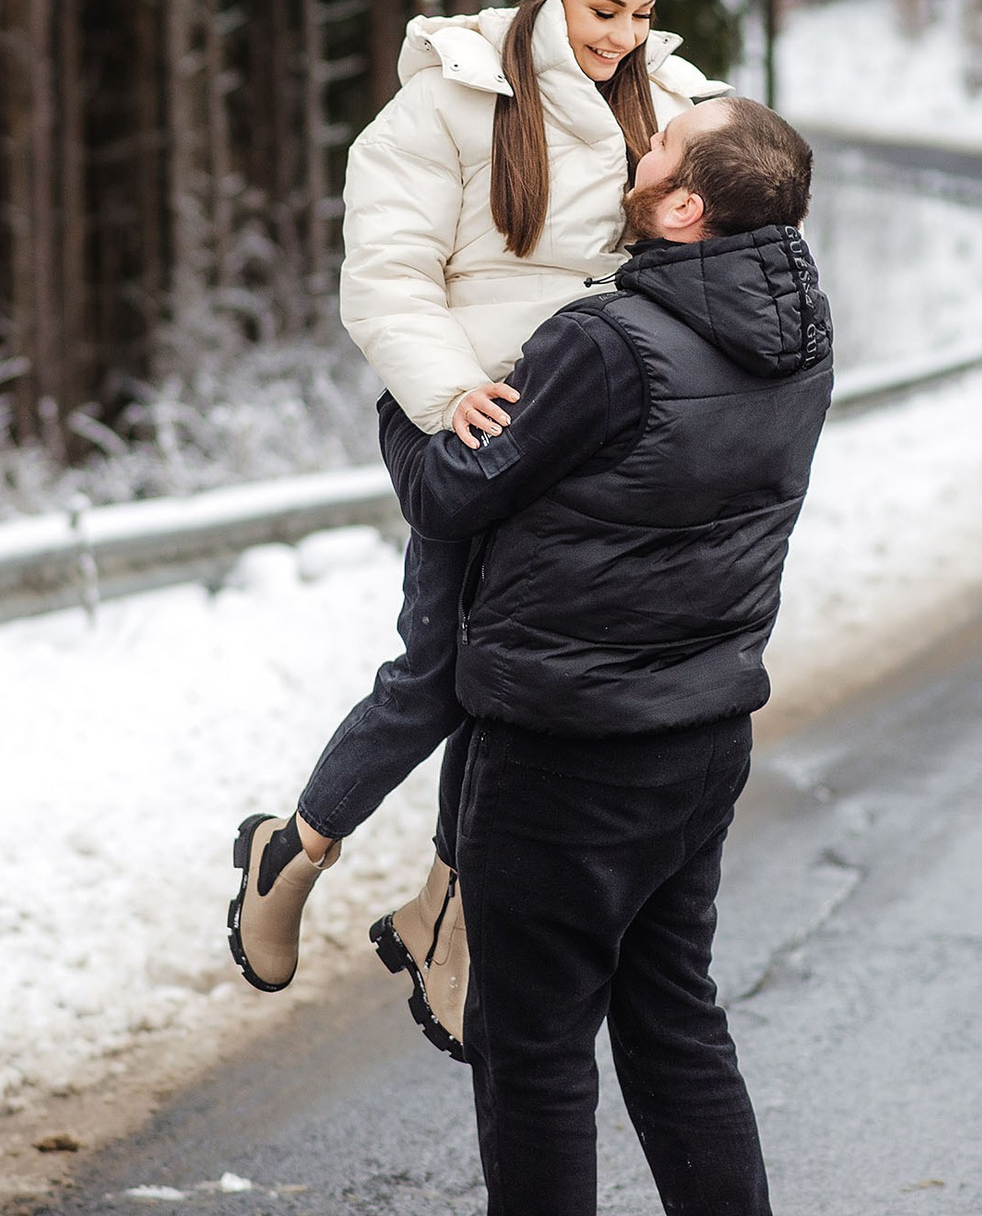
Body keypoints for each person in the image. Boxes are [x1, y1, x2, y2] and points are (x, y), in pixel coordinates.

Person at [227, 0, 727, 1059]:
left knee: (525, 682)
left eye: (642, 12)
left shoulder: (671, 98)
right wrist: (451, 392)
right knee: (441, 669)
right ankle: (291, 852)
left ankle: (445, 907)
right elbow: (385, 274)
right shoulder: (446, 101)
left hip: (592, 428)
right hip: (470, 418)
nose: (624, 34)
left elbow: (730, 219)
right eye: (606, 10)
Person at [380, 95, 832, 1216]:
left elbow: (447, 489)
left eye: (664, 142)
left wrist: (411, 386)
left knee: (529, 1050)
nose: (641, 144)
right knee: (674, 1022)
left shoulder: (605, 345)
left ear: (683, 206)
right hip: (700, 736)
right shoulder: (803, 333)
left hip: (564, 754)